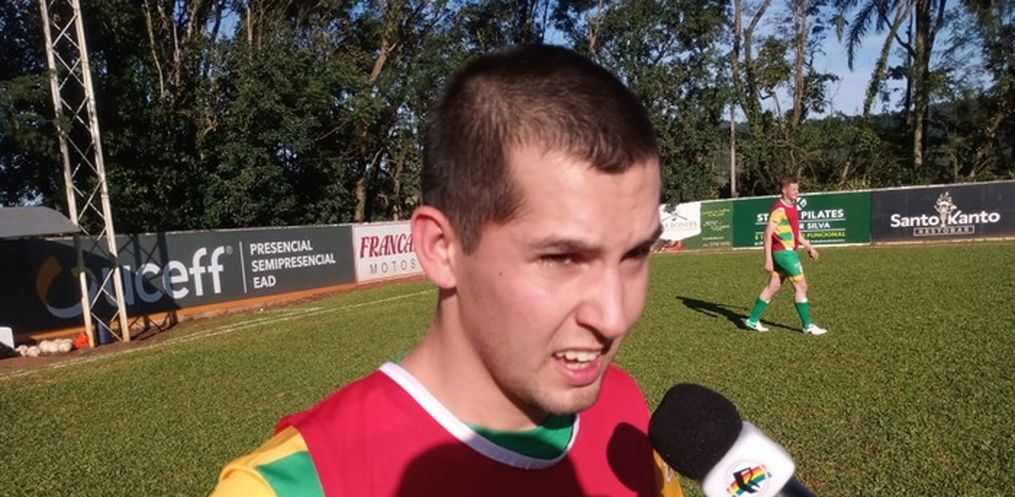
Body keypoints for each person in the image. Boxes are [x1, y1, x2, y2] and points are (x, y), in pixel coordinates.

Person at [210, 44, 683, 497]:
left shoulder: (625, 410)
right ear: (441, 249)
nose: (614, 318)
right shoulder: (295, 485)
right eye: (561, 258)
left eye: (635, 254)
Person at [742, 177, 828, 335]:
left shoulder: (792, 207)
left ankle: (752, 320)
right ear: (784, 190)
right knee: (801, 286)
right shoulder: (779, 210)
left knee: (774, 285)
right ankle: (807, 326)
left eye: (797, 189)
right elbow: (767, 235)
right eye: (794, 189)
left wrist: (809, 246)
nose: (797, 192)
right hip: (785, 254)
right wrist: (768, 260)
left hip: (783, 253)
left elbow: (795, 233)